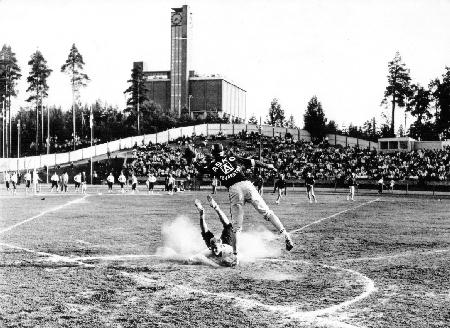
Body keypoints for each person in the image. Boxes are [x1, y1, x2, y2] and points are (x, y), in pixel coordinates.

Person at [191, 143, 294, 267]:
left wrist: (194, 161)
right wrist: (268, 166)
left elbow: (201, 170)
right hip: (246, 184)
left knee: (236, 227)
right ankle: (286, 235)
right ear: (223, 151)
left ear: (213, 154)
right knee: (267, 212)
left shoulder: (213, 165)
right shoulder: (231, 157)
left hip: (234, 189)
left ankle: (235, 256)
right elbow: (254, 162)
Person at [193, 195, 235, 267]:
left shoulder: (229, 250)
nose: (214, 250)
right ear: (210, 247)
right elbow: (193, 258)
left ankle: (216, 207)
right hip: (220, 246)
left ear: (221, 246)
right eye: (212, 248)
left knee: (228, 226)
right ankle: (201, 215)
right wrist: (214, 264)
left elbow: (238, 257)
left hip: (228, 242)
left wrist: (235, 260)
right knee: (205, 232)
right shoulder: (209, 251)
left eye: (215, 248)